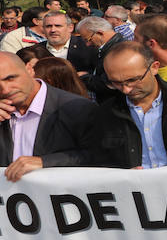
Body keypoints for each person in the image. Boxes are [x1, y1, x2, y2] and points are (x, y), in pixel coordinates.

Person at [89, 41, 167, 169]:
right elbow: (98, 163)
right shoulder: (104, 115)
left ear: (155, 67)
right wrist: (122, 177)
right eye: (116, 83)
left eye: (132, 80)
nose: (126, 90)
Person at [0, 52, 97, 181]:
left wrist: (44, 162)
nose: (5, 90)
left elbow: (99, 157)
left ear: (29, 69)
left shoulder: (78, 108)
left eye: (10, 78)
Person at [75, 16, 126, 102]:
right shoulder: (110, 48)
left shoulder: (117, 52)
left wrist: (84, 77)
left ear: (100, 33)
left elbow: (108, 85)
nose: (88, 44)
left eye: (89, 40)